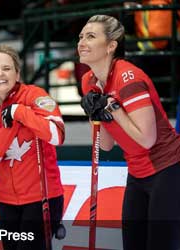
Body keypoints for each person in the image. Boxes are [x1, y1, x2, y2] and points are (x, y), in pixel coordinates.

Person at [79, 15, 180, 250]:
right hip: (136, 173)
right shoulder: (89, 81)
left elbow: (147, 139)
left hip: (168, 168)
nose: (82, 42)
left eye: (91, 36)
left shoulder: (129, 77)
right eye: (81, 36)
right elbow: (105, 145)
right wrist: (96, 114)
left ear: (111, 45)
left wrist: (111, 107)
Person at [0, 44, 65, 249]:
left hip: (42, 197)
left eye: (7, 68)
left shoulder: (34, 95)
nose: (0, 74)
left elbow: (57, 135)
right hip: (6, 200)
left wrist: (20, 112)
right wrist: (12, 124)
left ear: (17, 73)